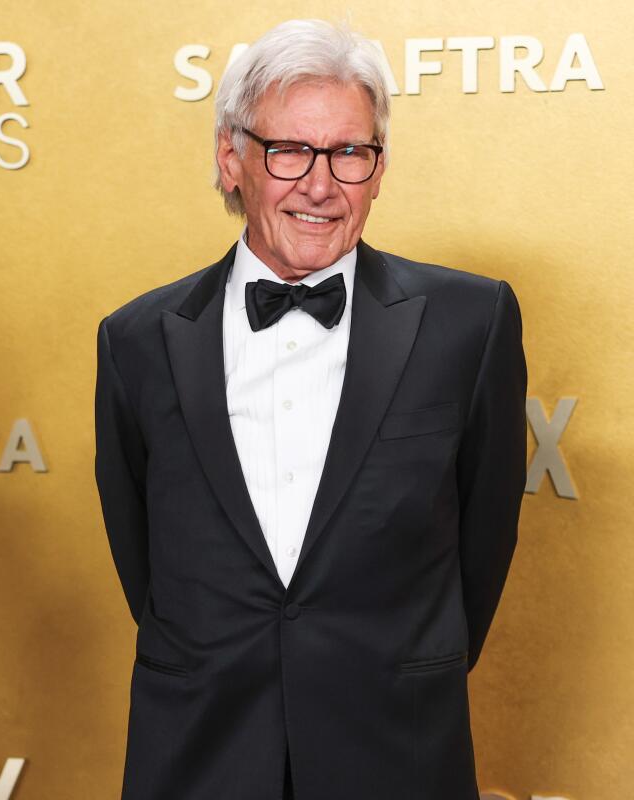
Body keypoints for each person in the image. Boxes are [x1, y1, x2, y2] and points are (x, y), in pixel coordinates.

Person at [94, 19, 525, 800]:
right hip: (199, 750)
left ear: (380, 166)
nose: (320, 185)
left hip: (397, 746)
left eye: (349, 153)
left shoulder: (472, 322)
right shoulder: (136, 340)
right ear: (232, 160)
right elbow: (144, 558)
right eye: (288, 150)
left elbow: (483, 544)